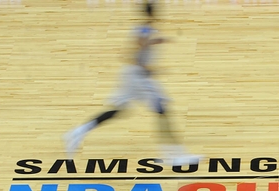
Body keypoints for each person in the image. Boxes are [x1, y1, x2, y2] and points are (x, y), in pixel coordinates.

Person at [62, 1, 198, 166]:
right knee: (162, 109)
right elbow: (137, 49)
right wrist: (148, 68)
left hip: (128, 74)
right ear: (154, 13)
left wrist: (155, 42)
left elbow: (137, 45)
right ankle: (174, 155)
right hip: (139, 76)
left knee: (119, 110)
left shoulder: (144, 28)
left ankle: (78, 131)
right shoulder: (146, 30)